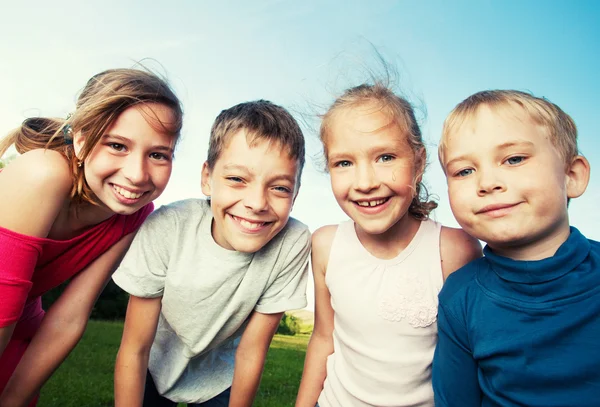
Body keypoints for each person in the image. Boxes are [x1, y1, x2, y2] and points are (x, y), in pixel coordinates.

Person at [0, 68, 183, 406]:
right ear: (82, 141)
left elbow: (70, 317)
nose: (137, 174)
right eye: (117, 146)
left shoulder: (136, 214)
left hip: (21, 329)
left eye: (158, 154)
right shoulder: (42, 173)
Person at [112, 99, 310, 407]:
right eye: (236, 179)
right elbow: (135, 347)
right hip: (153, 363)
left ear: (295, 193)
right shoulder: (168, 226)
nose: (257, 203)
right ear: (207, 178)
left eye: (280, 188)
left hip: (220, 377)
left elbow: (251, 351)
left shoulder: (292, 242)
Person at [295, 82, 481, 407]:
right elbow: (324, 338)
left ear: (418, 162)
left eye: (385, 157)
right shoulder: (326, 244)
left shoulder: (454, 250)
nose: (365, 183)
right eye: (344, 163)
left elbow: (468, 363)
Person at [433, 90, 597, 406]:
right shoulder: (459, 297)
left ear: (572, 176)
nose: (487, 182)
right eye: (465, 170)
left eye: (514, 159)